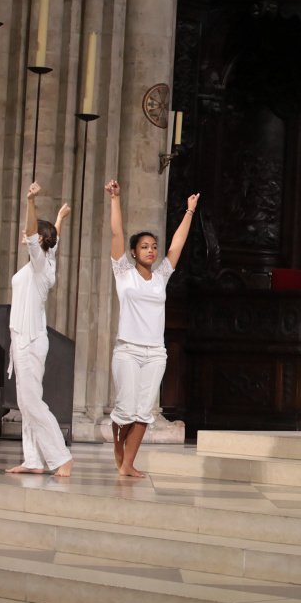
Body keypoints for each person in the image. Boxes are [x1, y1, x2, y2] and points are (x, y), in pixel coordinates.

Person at [105, 179, 199, 476]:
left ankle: (128, 465)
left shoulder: (161, 277)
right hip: (128, 350)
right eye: (144, 247)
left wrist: (189, 212)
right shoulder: (123, 274)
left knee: (144, 412)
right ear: (133, 252)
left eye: (153, 247)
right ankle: (118, 446)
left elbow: (177, 245)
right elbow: (117, 232)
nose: (151, 250)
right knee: (124, 411)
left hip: (155, 353)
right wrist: (115, 199)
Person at [5, 182, 73, 477]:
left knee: (32, 401)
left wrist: (30, 201)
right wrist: (59, 220)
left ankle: (61, 457)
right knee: (25, 401)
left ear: (39, 239)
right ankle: (33, 459)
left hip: (30, 340)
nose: (26, 235)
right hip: (20, 338)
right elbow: (51, 241)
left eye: (32, 234)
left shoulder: (40, 265)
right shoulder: (45, 262)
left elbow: (35, 238)